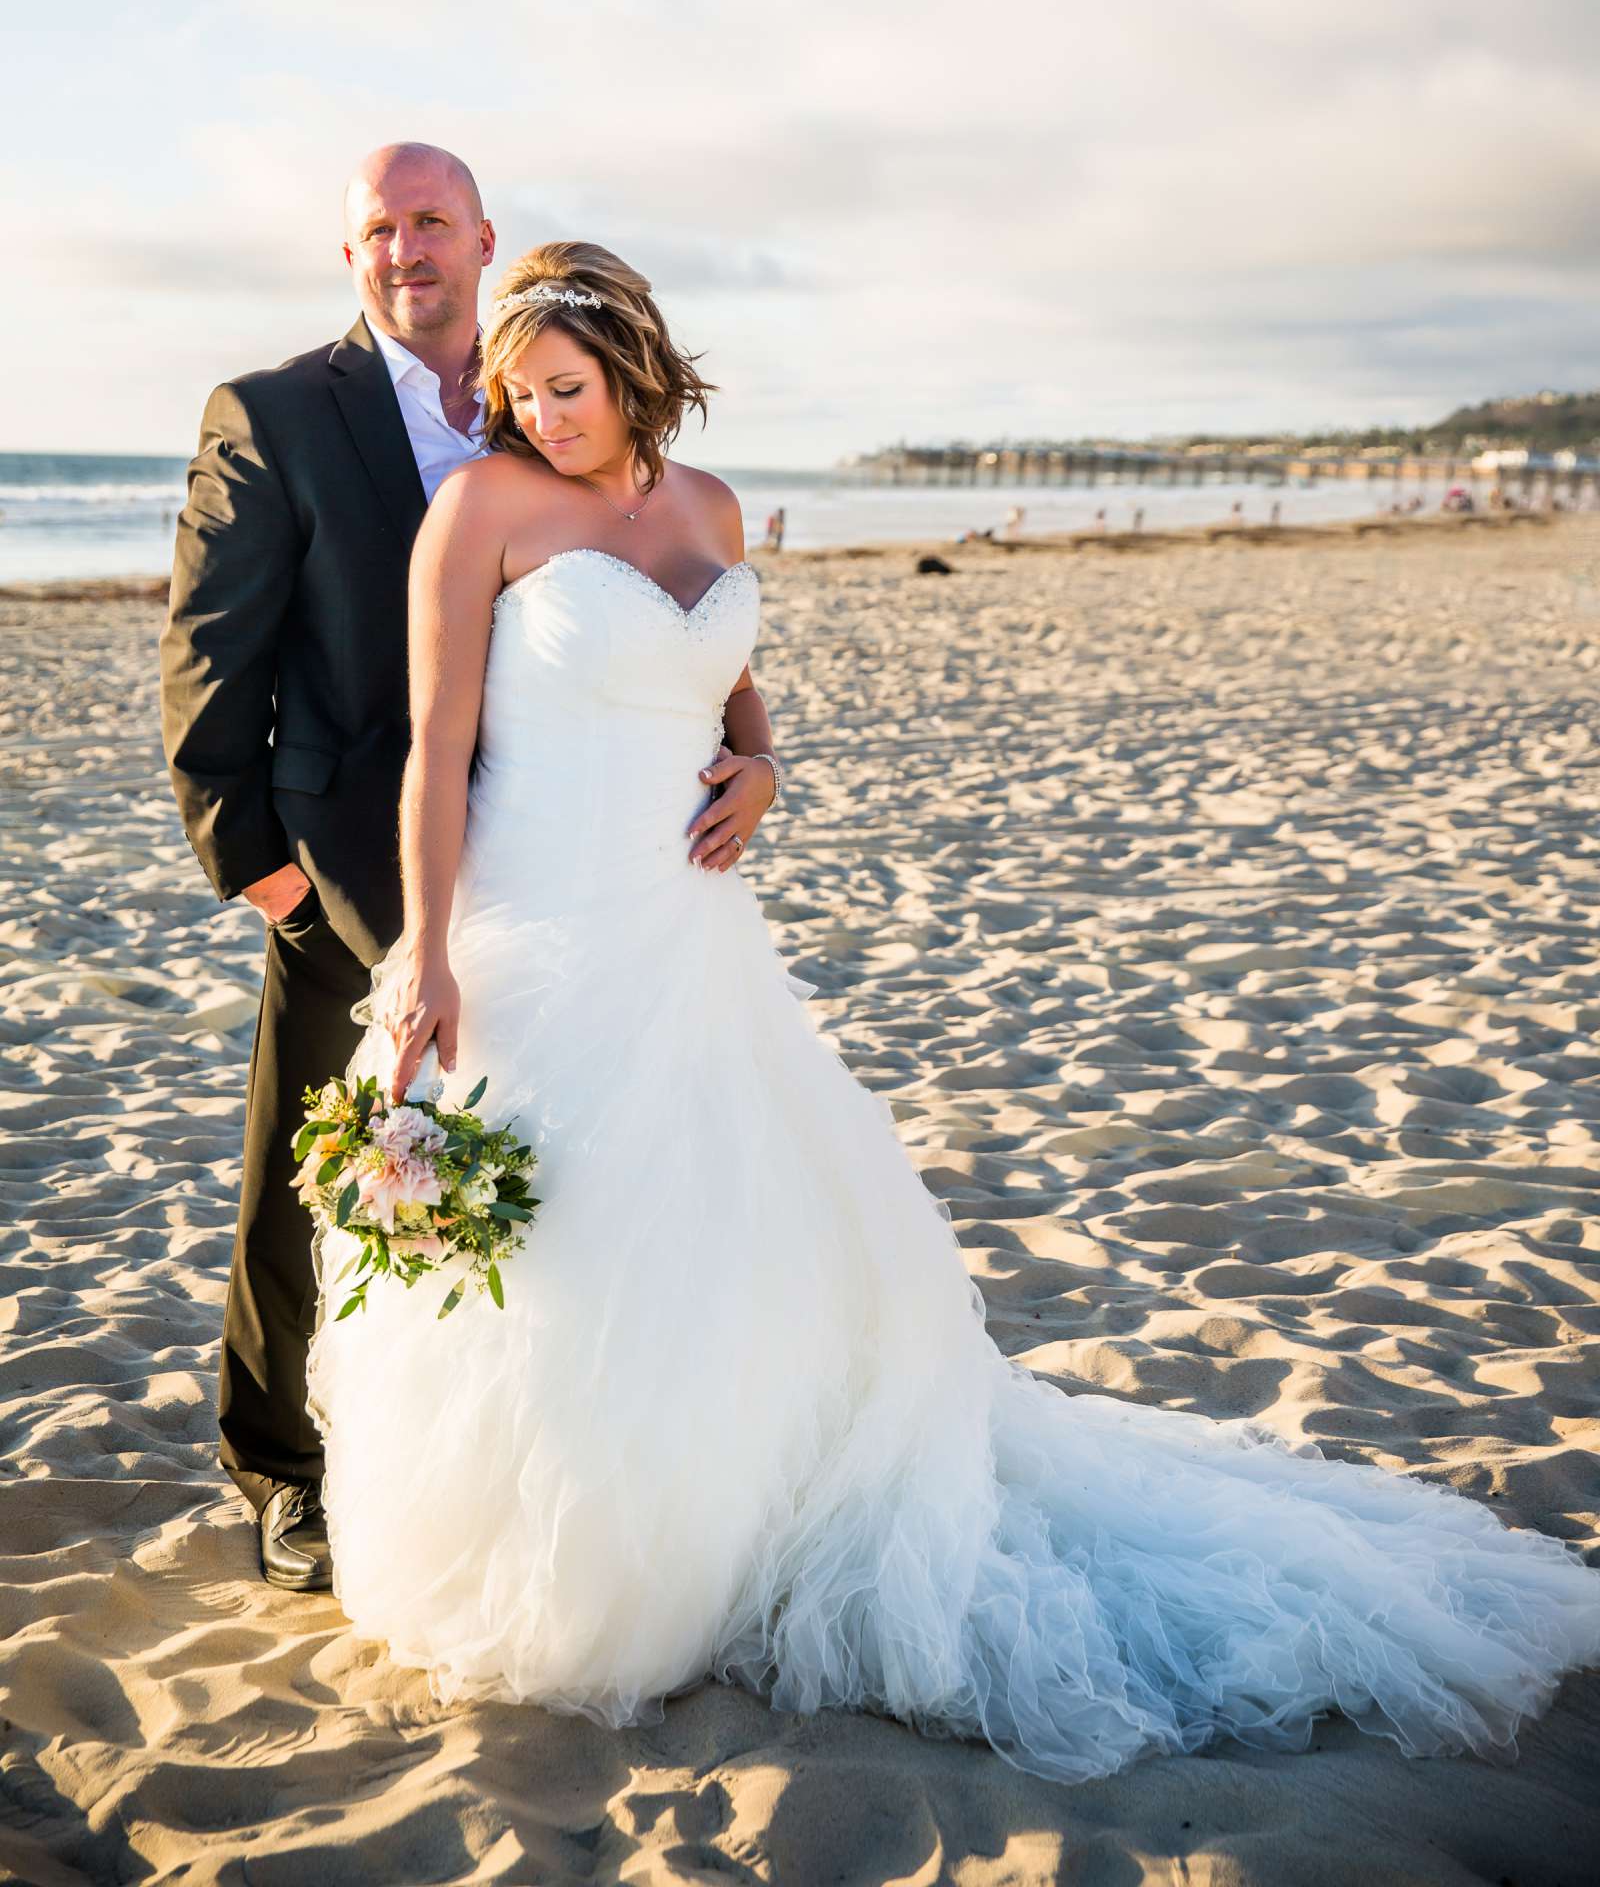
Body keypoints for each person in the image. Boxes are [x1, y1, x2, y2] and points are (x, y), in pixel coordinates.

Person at [305, 246, 1600, 1788]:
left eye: (565, 388)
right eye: (516, 394)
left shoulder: (710, 510)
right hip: (535, 926)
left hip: (691, 931)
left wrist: (767, 764)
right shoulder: (485, 511)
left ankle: (719, 1540)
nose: (537, 415)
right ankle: (580, 1567)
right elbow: (435, 748)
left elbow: (721, 683)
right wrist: (432, 955)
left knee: (737, 1248)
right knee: (564, 1256)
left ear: (635, 366)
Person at [157, 150, 781, 1595]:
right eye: (376, 228)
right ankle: (284, 1472)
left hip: (581, 858)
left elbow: (676, 634)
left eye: (430, 222)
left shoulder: (536, 403)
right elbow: (210, 647)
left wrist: (757, 758)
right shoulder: (277, 414)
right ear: (350, 254)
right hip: (351, 864)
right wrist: (254, 864)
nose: (404, 249)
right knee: (313, 1171)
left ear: (483, 240)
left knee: (564, 1168)